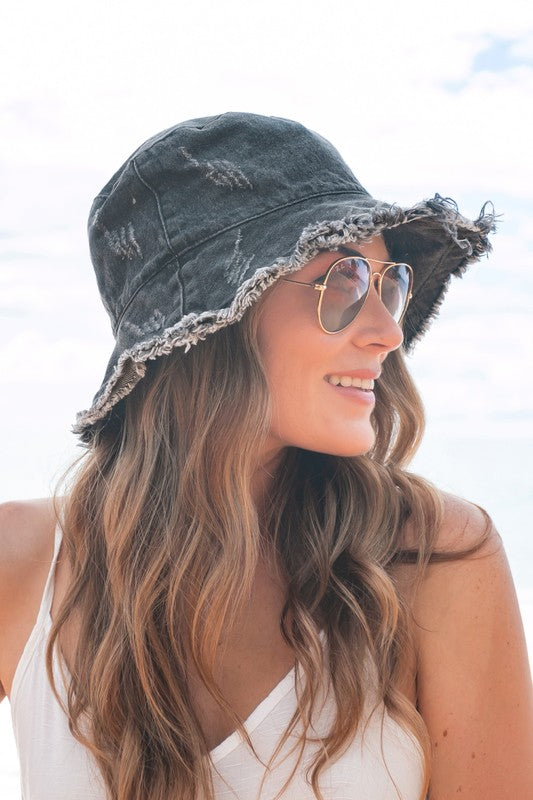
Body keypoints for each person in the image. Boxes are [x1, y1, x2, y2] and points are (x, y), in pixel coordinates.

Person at [0, 112, 531, 800]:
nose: (384, 333)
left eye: (388, 286)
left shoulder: (437, 559)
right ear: (214, 322)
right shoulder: (20, 564)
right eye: (342, 284)